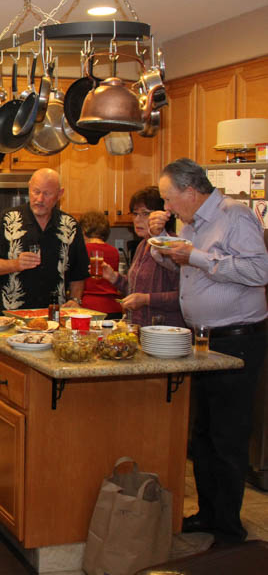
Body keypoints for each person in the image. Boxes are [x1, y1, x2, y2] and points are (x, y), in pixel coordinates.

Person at [149, 158, 268, 544]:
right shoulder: (190, 224)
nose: (167, 206)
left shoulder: (236, 217)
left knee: (227, 435)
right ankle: (207, 514)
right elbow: (183, 269)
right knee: (201, 434)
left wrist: (195, 256)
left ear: (190, 191)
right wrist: (163, 245)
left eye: (169, 199)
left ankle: (229, 528)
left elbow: (259, 271)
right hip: (202, 338)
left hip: (237, 338)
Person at [0, 168, 89, 312]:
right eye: (36, 192)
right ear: (29, 188)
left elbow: (78, 273)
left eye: (47, 193)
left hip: (54, 317)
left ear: (59, 194)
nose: (39, 199)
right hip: (12, 317)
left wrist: (75, 300)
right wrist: (15, 264)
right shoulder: (7, 220)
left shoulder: (70, 226)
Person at [100, 186, 184, 327]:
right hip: (141, 328)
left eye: (145, 214)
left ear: (164, 216)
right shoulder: (142, 246)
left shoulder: (172, 246)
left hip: (165, 333)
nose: (137, 220)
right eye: (135, 213)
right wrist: (114, 278)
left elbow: (183, 297)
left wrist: (146, 299)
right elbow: (134, 290)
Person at [78, 211, 123, 317]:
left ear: (84, 230)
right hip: (113, 307)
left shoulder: (83, 250)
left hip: (90, 308)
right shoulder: (114, 251)